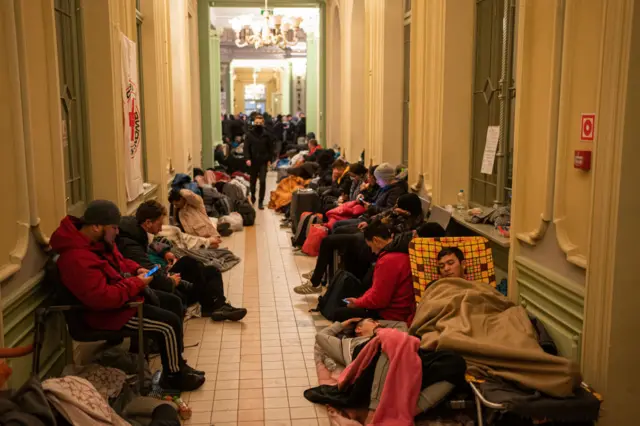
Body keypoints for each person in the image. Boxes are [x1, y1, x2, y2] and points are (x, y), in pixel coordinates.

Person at [49, 200, 205, 391]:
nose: (117, 232)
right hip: (107, 315)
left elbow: (121, 262)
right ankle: (173, 377)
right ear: (97, 226)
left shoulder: (97, 243)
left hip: (123, 302)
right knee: (167, 324)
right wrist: (138, 283)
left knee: (172, 302)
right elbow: (103, 298)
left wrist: (138, 269)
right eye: (113, 227)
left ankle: (177, 363)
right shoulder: (76, 258)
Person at [117, 201, 247, 321]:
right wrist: (168, 279)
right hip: (159, 282)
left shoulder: (137, 232)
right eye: (159, 224)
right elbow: (150, 272)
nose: (161, 228)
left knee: (212, 270)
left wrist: (164, 252)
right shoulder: (131, 246)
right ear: (148, 223)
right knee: (189, 263)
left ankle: (218, 306)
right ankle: (213, 305)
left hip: (161, 273)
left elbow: (152, 246)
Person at [339, 220, 416, 324]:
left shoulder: (388, 260)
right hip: (400, 311)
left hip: (390, 315)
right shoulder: (402, 253)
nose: (372, 251)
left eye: (370, 246)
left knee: (339, 313)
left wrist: (358, 302)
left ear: (376, 240)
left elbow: (379, 300)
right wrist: (361, 300)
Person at [332, 163, 408, 234]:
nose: (377, 181)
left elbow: (389, 211)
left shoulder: (395, 191)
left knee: (338, 228)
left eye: (378, 179)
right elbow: (373, 199)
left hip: (374, 222)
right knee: (336, 225)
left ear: (386, 178)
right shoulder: (385, 186)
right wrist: (364, 196)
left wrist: (371, 207)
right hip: (368, 217)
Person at [315, 318, 408, 366]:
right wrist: (347, 322)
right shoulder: (348, 345)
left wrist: (377, 325)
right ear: (358, 329)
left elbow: (401, 324)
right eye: (373, 322)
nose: (379, 324)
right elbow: (321, 336)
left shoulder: (390, 334)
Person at [245, 114, 275, 209]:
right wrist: (247, 158)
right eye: (256, 123)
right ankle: (253, 195)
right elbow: (246, 148)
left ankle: (261, 201)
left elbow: (271, 148)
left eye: (260, 123)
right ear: (254, 123)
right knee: (252, 182)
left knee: (262, 181)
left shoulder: (267, 135)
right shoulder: (249, 134)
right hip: (253, 161)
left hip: (263, 161)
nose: (258, 124)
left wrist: (270, 159)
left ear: (263, 123)